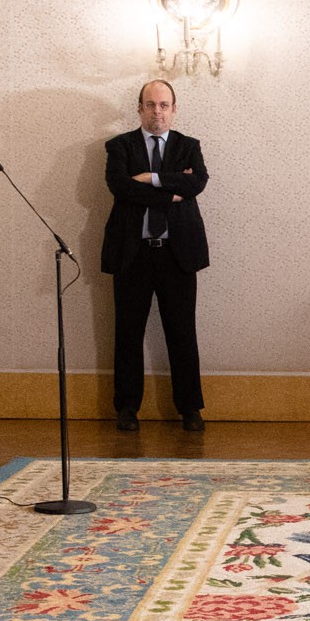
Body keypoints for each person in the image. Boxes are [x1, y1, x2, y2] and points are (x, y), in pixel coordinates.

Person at [100, 78, 209, 433]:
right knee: (127, 333)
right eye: (151, 105)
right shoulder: (120, 146)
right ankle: (127, 408)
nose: (157, 112)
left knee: (182, 332)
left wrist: (149, 178)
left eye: (164, 105)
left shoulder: (189, 146)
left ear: (174, 109)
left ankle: (190, 409)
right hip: (133, 254)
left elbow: (197, 183)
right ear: (140, 109)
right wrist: (171, 188)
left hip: (177, 255)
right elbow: (120, 187)